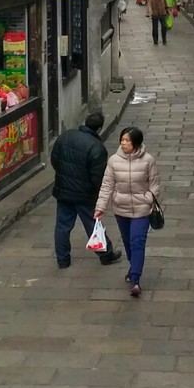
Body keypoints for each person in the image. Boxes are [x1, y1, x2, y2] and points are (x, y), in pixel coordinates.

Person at [94, 126, 161, 298]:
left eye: (127, 140)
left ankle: (135, 279)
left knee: (137, 241)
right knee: (127, 241)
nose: (123, 143)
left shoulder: (148, 160)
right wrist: (100, 207)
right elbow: (107, 185)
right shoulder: (114, 161)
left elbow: (155, 184)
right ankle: (133, 268)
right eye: (122, 140)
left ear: (136, 143)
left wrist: (148, 197)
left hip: (142, 209)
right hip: (121, 208)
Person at [50, 110, 120, 269]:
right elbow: (97, 177)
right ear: (99, 129)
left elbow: (55, 160)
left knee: (62, 225)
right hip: (84, 194)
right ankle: (106, 254)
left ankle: (63, 260)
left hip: (63, 190)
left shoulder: (65, 136)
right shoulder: (97, 147)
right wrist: (99, 196)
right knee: (93, 224)